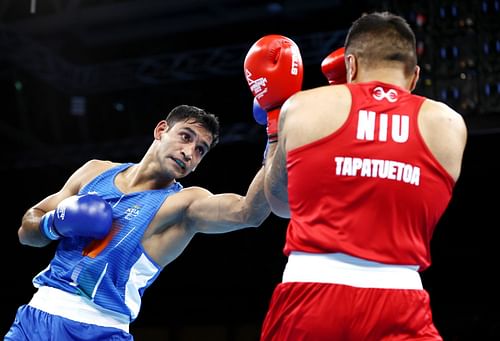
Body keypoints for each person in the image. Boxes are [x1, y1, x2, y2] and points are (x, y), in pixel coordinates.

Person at [249, 11, 468, 340]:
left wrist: (275, 124)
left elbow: (280, 204)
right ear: (414, 76)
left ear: (350, 65)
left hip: (310, 296)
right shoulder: (449, 125)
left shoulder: (304, 107)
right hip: (402, 300)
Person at [4, 104, 273, 340]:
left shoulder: (182, 205)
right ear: (160, 131)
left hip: (99, 331)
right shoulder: (94, 171)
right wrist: (54, 223)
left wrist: (274, 137)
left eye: (200, 149)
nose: (189, 152)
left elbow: (249, 212)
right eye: (185, 137)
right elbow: (26, 232)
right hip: (34, 320)